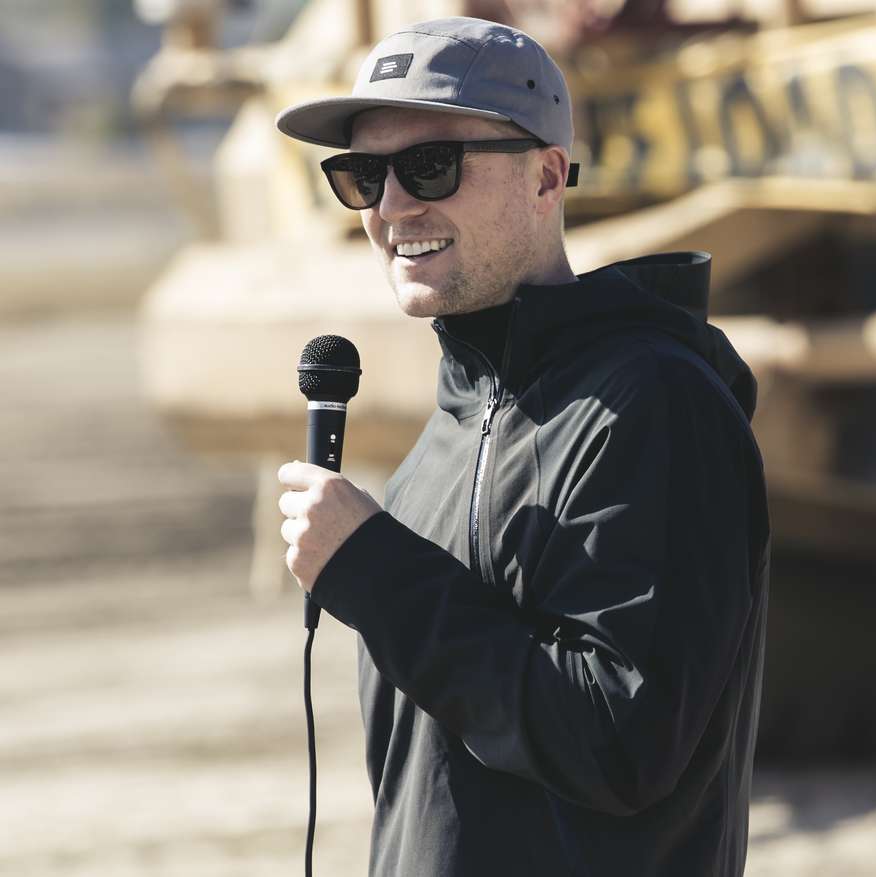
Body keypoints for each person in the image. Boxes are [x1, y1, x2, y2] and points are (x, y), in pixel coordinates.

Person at [274, 16, 770, 877]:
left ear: (546, 176)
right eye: (362, 175)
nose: (393, 206)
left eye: (432, 165)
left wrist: (379, 573)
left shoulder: (654, 406)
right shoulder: (439, 444)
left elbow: (622, 743)